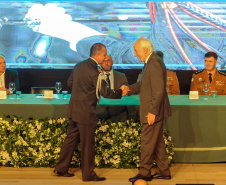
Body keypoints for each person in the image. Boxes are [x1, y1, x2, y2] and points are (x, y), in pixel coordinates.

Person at [53, 43, 125, 181]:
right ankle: (88, 175)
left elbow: (70, 83)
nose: (105, 58)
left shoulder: (78, 65)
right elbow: (105, 93)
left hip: (74, 110)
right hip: (86, 113)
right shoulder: (96, 72)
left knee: (70, 140)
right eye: (104, 55)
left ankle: (61, 168)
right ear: (97, 55)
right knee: (87, 145)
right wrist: (121, 91)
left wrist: (83, 91)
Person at [122, 38, 171, 182]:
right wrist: (128, 89)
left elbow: (158, 91)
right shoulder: (149, 62)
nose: (135, 54)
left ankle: (144, 173)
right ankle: (164, 171)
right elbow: (142, 84)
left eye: (136, 51)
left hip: (152, 111)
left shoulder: (154, 63)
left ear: (144, 49)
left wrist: (152, 112)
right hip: (153, 109)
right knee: (157, 142)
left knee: (147, 141)